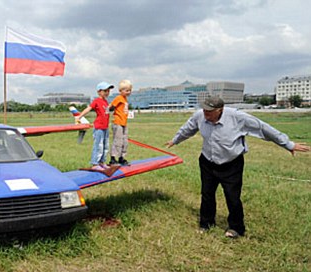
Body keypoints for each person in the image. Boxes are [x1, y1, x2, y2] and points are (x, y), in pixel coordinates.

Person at [165, 96, 309, 238]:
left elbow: (263, 128)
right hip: (207, 161)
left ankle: (236, 228)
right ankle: (206, 224)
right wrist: (175, 140)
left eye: (209, 111)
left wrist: (288, 144)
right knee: (207, 194)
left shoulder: (238, 117)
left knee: (232, 197)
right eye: (204, 110)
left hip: (231, 164)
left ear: (220, 110)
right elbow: (188, 128)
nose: (205, 114)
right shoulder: (200, 116)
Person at [76, 82, 114, 170]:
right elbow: (89, 108)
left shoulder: (105, 101)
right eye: (105, 91)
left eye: (108, 91)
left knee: (105, 146)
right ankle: (95, 163)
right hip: (99, 128)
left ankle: (102, 162)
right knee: (98, 145)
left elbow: (107, 112)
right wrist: (80, 116)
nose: (107, 92)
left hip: (105, 127)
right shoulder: (96, 101)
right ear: (99, 92)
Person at [109, 79, 132, 166]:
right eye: (126, 90)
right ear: (120, 91)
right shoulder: (119, 98)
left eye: (129, 90)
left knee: (125, 141)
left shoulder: (125, 99)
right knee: (117, 141)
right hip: (117, 122)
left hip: (124, 123)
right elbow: (111, 107)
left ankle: (121, 157)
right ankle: (113, 158)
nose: (128, 92)